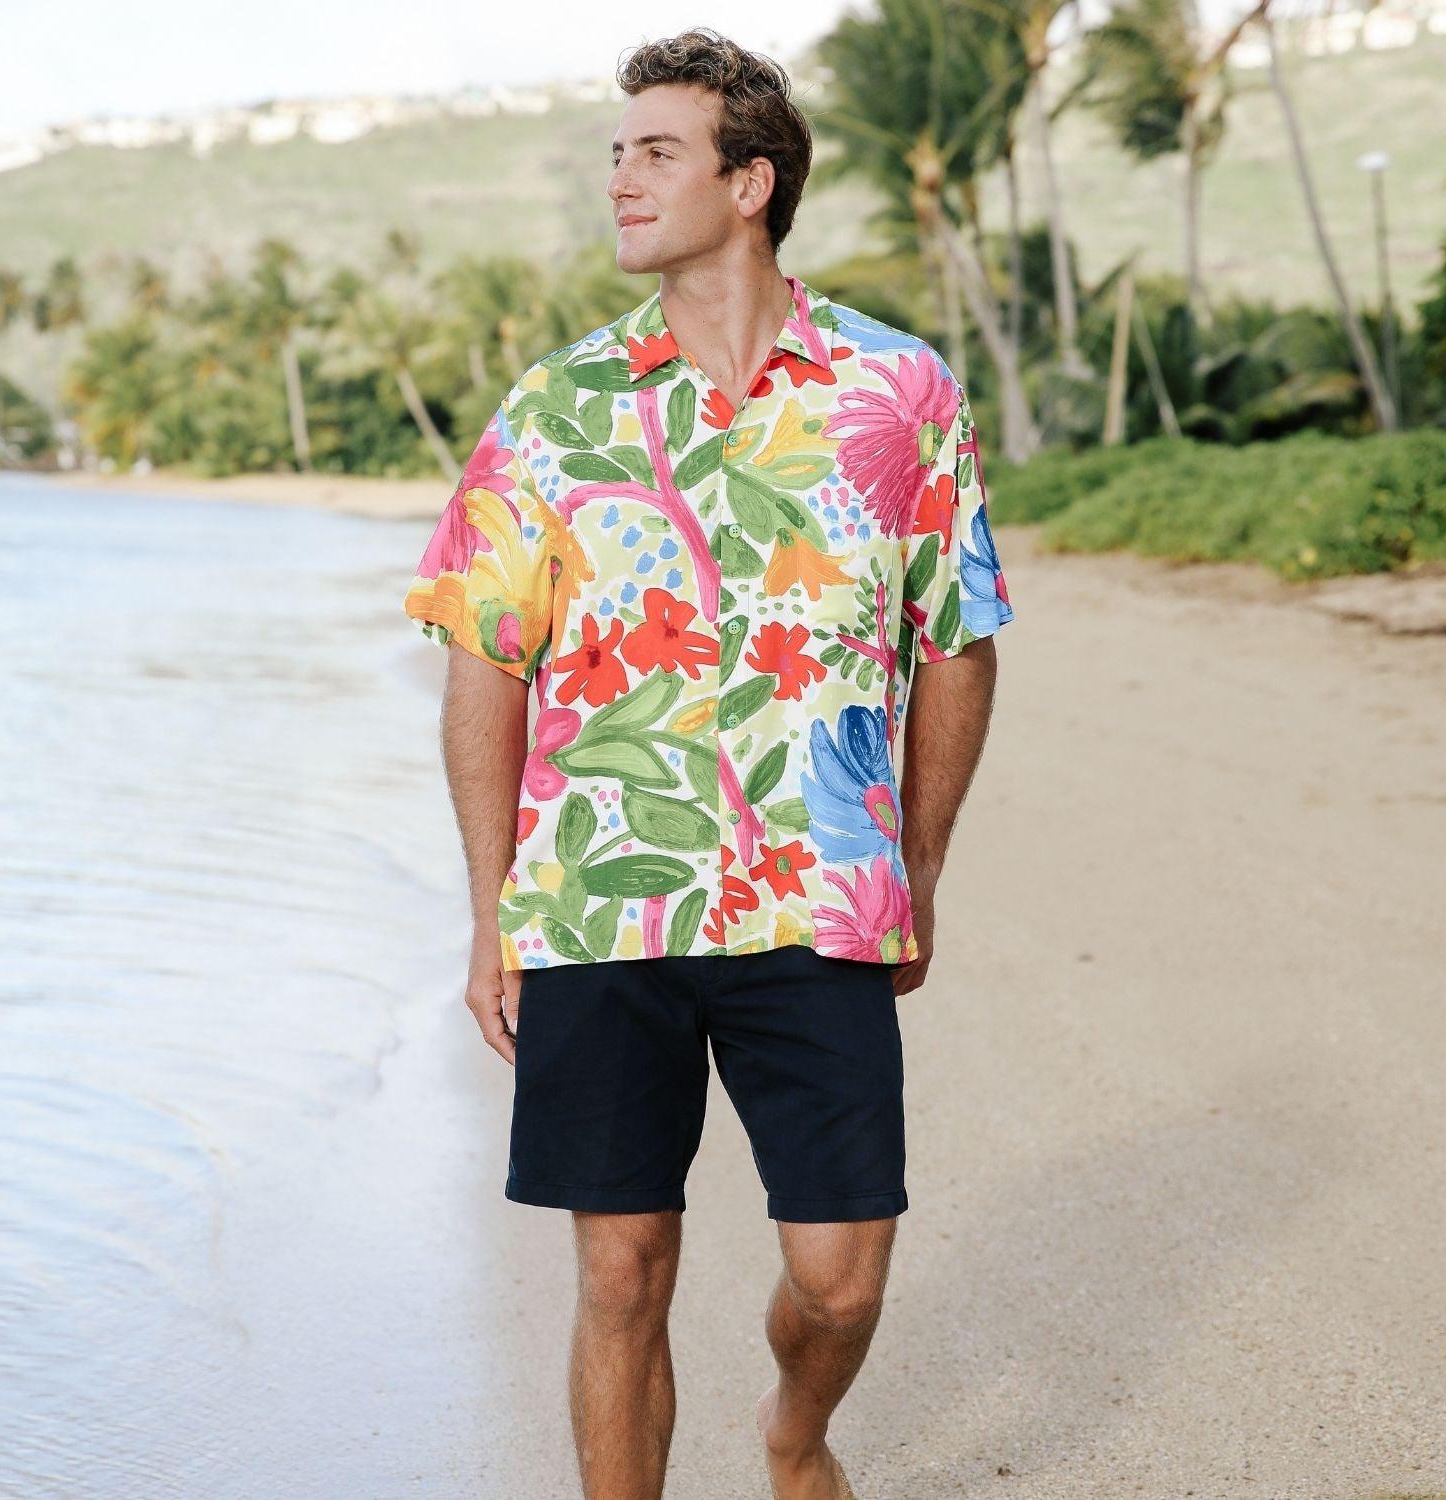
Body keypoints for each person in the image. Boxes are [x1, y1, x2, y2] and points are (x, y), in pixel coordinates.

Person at [401, 26, 1013, 1500]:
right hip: (603, 898)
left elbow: (957, 636)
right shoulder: (559, 407)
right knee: (620, 1273)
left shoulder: (900, 391)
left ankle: (794, 1434)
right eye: (617, 153)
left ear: (751, 184)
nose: (621, 179)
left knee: (843, 1279)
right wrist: (491, 912)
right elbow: (485, 657)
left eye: (657, 152)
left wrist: (918, 864)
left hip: (824, 890)